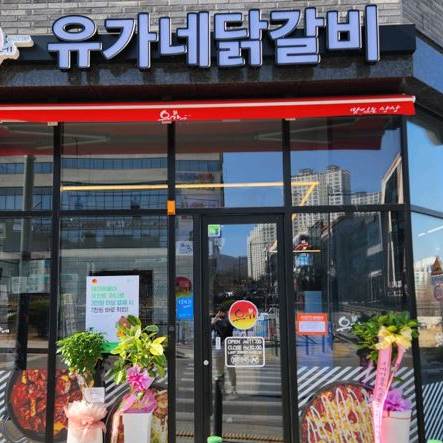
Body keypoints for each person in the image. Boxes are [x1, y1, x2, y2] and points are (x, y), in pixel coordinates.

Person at [211, 307, 237, 397]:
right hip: (219, 347)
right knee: (220, 370)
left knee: (231, 369)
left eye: (221, 312)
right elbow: (209, 329)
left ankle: (233, 388)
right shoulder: (215, 321)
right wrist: (214, 320)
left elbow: (226, 328)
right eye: (218, 312)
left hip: (228, 346)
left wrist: (218, 321)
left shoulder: (229, 321)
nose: (220, 314)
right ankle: (222, 389)